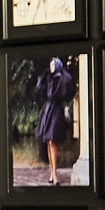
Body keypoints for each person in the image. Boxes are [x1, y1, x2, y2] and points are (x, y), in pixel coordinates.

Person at [33, 57, 75, 185]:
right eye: (50, 65)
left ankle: (55, 174)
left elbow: (67, 90)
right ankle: (52, 173)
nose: (51, 67)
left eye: (53, 65)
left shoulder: (62, 78)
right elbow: (41, 90)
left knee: (52, 140)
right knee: (48, 141)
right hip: (47, 109)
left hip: (56, 109)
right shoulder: (49, 77)